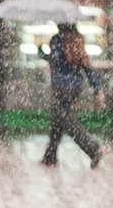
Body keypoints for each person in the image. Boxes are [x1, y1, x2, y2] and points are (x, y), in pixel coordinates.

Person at [38, 23, 107, 167]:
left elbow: (54, 60)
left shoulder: (57, 39)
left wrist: (40, 49)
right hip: (74, 87)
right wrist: (97, 88)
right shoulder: (78, 40)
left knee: (67, 122)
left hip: (60, 87)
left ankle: (94, 149)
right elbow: (88, 68)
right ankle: (50, 156)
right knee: (58, 119)